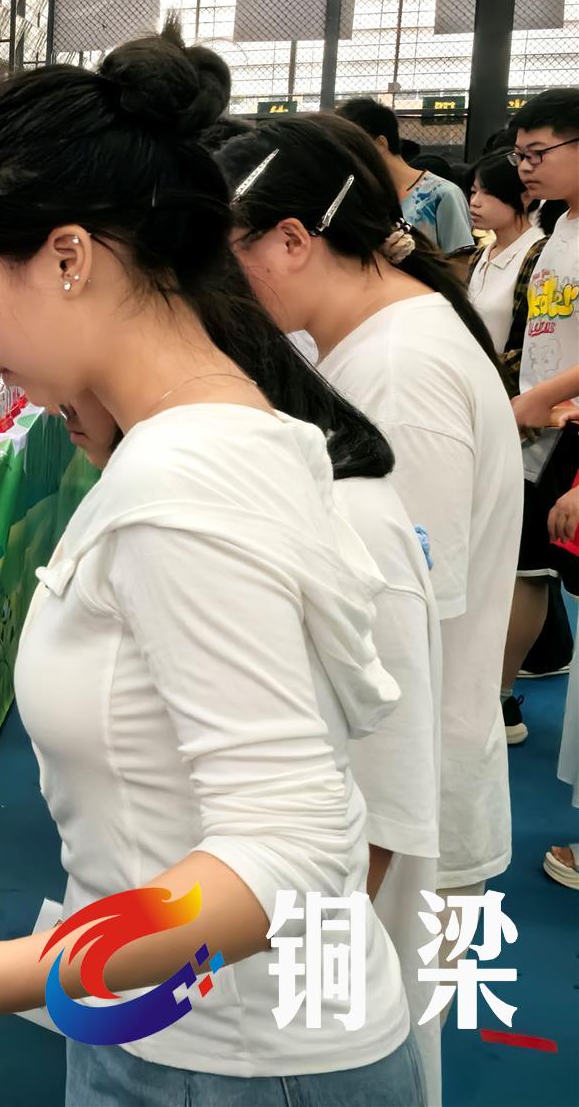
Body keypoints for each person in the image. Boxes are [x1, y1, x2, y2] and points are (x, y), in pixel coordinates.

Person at [0, 27, 419, 1101]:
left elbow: (293, 851)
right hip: (185, 1023)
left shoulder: (186, 482)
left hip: (230, 1065)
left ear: (68, 257)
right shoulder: (202, 441)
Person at [55, 386, 444, 1103]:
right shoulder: (164, 478)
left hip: (239, 1046)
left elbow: (329, 830)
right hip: (153, 1010)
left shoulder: (205, 492)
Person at [213, 114, 519, 914]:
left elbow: (396, 627)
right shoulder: (379, 339)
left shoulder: (399, 372)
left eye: (225, 256)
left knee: (378, 996)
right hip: (385, 797)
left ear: (291, 239)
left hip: (397, 816)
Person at [501, 86, 579, 886]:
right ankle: (502, 698)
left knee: (533, 569)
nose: (525, 167)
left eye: (538, 152)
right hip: (545, 427)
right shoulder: (558, 226)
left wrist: (540, 399)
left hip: (563, 430)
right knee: (525, 565)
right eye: (518, 154)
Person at [336, 97, 474, 262]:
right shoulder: (359, 196)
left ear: (380, 144)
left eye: (349, 148)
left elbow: (461, 264)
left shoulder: (443, 194)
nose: (345, 158)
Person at [467, 147, 547, 386]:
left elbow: (537, 349)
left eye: (488, 193)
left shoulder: (539, 256)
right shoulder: (480, 255)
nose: (475, 202)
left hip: (507, 389)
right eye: (473, 191)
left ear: (525, 196)